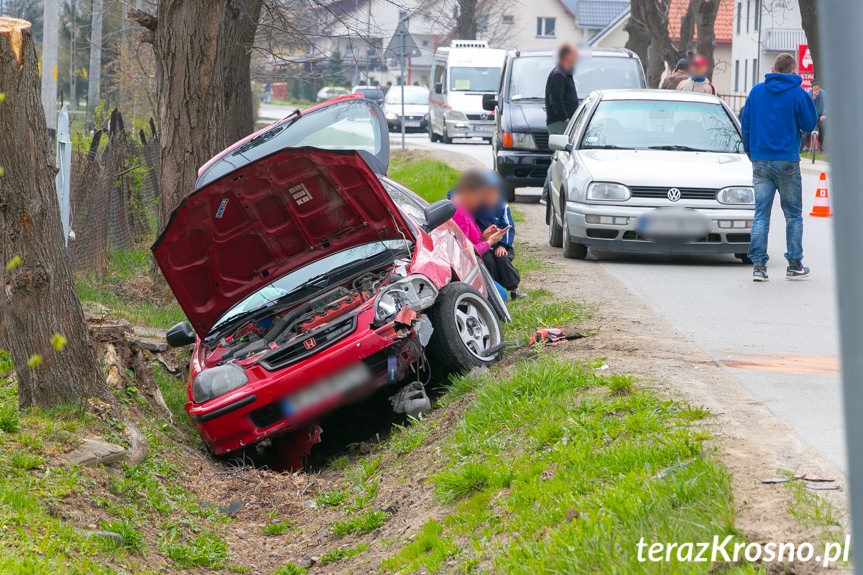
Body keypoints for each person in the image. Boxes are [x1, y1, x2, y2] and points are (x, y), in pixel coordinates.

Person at [741, 52, 818, 282]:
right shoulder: (797, 93)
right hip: (787, 161)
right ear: (793, 71)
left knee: (761, 214)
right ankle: (794, 264)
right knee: (793, 215)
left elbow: (746, 124)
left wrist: (751, 152)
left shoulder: (756, 92)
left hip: (761, 160)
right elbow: (809, 124)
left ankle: (758, 267)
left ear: (773, 68)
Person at [450, 171, 510, 299]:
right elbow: (465, 254)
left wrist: (484, 237)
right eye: (478, 197)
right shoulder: (458, 213)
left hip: (474, 265)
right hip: (466, 270)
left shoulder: (467, 210)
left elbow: (470, 241)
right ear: (466, 192)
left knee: (502, 294)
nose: (480, 202)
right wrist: (489, 243)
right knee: (501, 296)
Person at [474, 171, 523, 299]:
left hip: (500, 245)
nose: (491, 196)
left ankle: (514, 288)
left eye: (494, 192)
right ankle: (494, 289)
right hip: (484, 245)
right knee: (488, 262)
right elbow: (474, 229)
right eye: (487, 193)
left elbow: (509, 226)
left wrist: (503, 245)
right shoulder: (476, 208)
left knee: (503, 260)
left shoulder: (502, 206)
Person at [542, 43, 579, 202]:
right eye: (574, 54)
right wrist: (565, 117)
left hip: (563, 122)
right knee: (558, 157)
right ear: (566, 56)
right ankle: (546, 193)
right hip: (560, 123)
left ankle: (548, 193)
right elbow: (555, 98)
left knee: (558, 157)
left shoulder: (565, 74)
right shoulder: (559, 75)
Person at [802, 80, 827, 152]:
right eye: (815, 86)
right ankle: (806, 145)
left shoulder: (823, 94)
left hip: (820, 115)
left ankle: (821, 143)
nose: (816, 88)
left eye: (818, 86)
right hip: (811, 114)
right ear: (812, 87)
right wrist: (813, 98)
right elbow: (807, 105)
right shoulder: (808, 94)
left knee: (822, 127)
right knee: (807, 127)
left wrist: (824, 114)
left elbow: (826, 104)